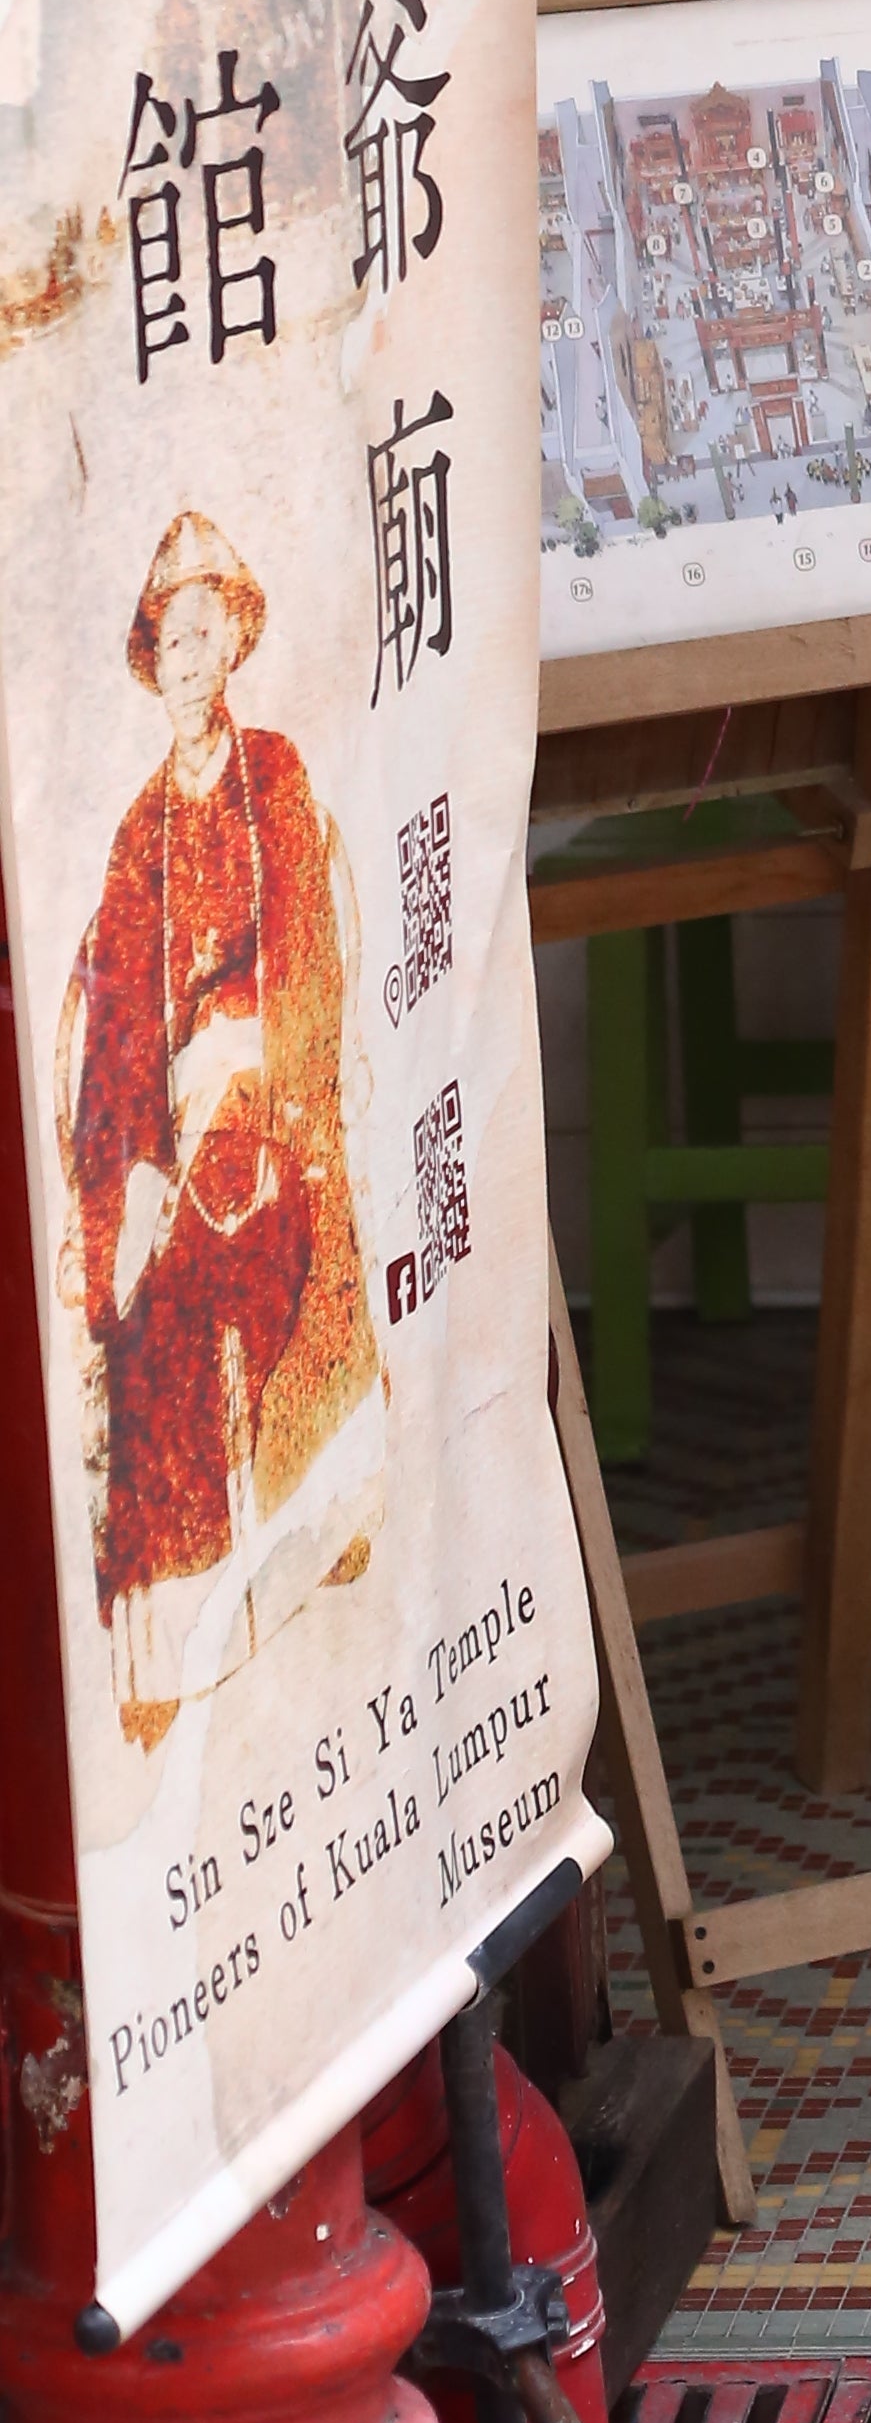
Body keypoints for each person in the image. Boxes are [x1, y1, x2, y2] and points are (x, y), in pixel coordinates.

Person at [60, 512, 382, 1743]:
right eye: (168, 641)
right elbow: (124, 1025)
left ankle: (309, 1535)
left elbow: (307, 951)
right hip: (175, 1126)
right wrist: (141, 1164)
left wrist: (266, 1073)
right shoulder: (140, 828)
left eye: (204, 634)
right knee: (154, 1310)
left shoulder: (280, 778)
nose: (189, 661)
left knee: (277, 1241)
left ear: (237, 638)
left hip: (272, 1102)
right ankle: (183, 1640)